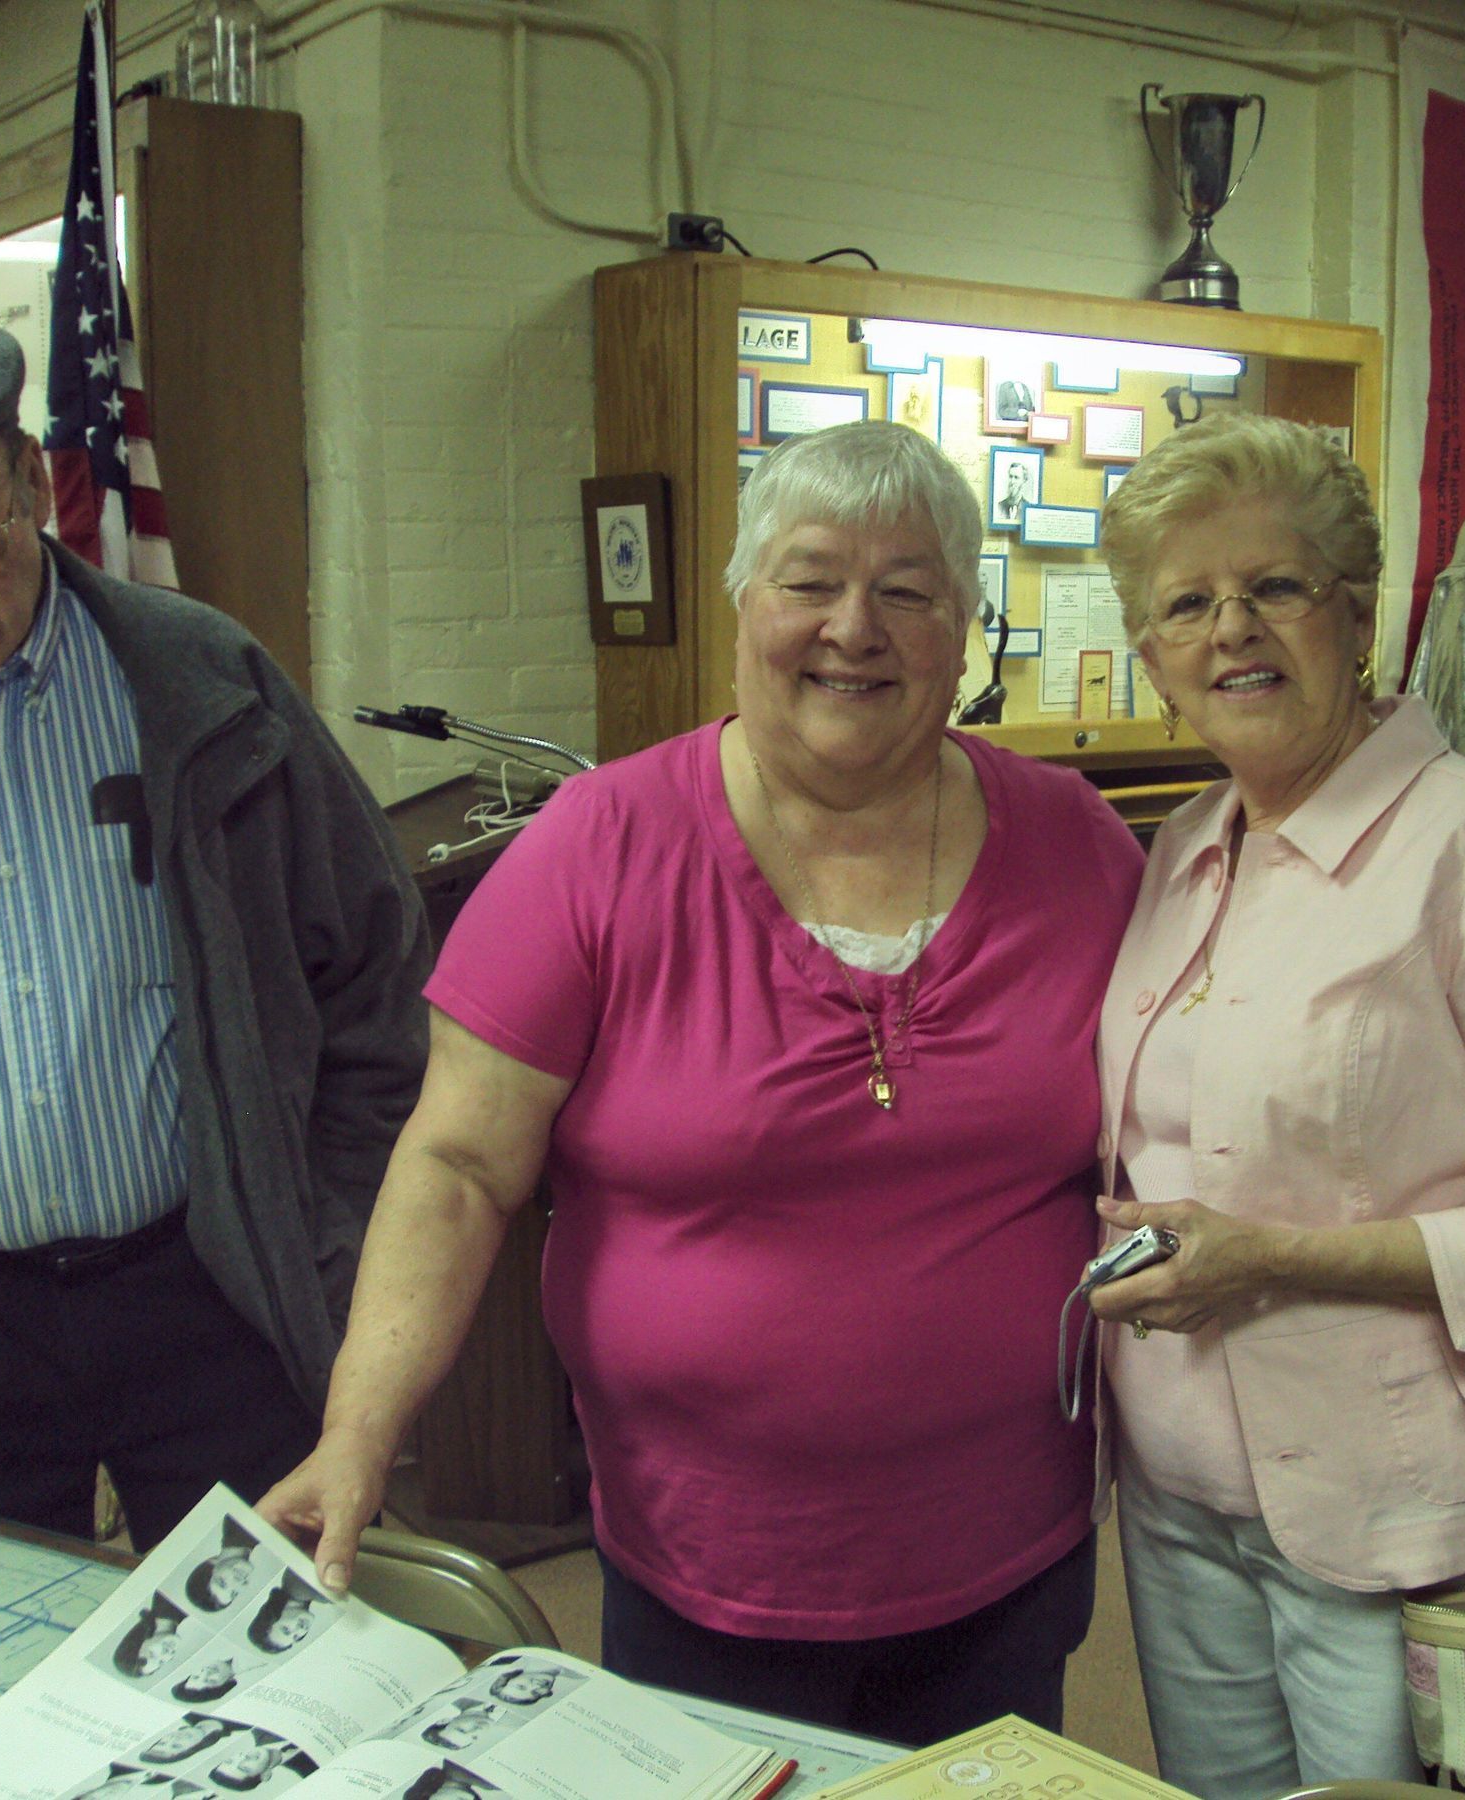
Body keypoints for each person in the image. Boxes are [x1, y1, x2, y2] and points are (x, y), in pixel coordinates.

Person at [261, 422, 1144, 1744]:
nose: (854, 628)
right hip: (708, 1562)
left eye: (908, 591)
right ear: (742, 604)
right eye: (810, 581)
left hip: (1007, 1549)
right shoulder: (600, 844)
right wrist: (358, 1434)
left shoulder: (1078, 844)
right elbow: (455, 1166)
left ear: (965, 629)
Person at [1089, 415, 1465, 1800]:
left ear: (1356, 615)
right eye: (1187, 604)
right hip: (1179, 1507)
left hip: (1410, 1518)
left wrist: (1277, 1258)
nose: (1233, 630)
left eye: (1275, 586)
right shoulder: (1185, 846)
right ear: (1153, 655)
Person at [0, 308, 430, 1545]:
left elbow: (373, 975)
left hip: (204, 1293)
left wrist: (325, 1234)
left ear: (32, 479)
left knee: (258, 1629)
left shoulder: (204, 681)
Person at [185, 1520, 257, 1611]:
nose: (237, 1583)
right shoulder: (253, 1540)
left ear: (212, 1563)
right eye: (234, 1593)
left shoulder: (237, 1525)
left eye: (222, 1582)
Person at [247, 1575, 325, 1652]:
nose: (300, 1629)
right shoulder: (292, 1584)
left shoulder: (304, 1586)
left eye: (286, 1629)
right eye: (296, 1636)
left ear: (271, 1615)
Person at [114, 1598, 187, 1679]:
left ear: (142, 1640)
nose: (165, 1653)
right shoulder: (183, 1621)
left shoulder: (166, 1601)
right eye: (161, 1662)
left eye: (153, 1654)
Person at [140, 1717, 232, 1765]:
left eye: (162, 1743)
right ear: (194, 1748)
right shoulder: (238, 1728)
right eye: (176, 1745)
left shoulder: (188, 1714)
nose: (174, 1739)